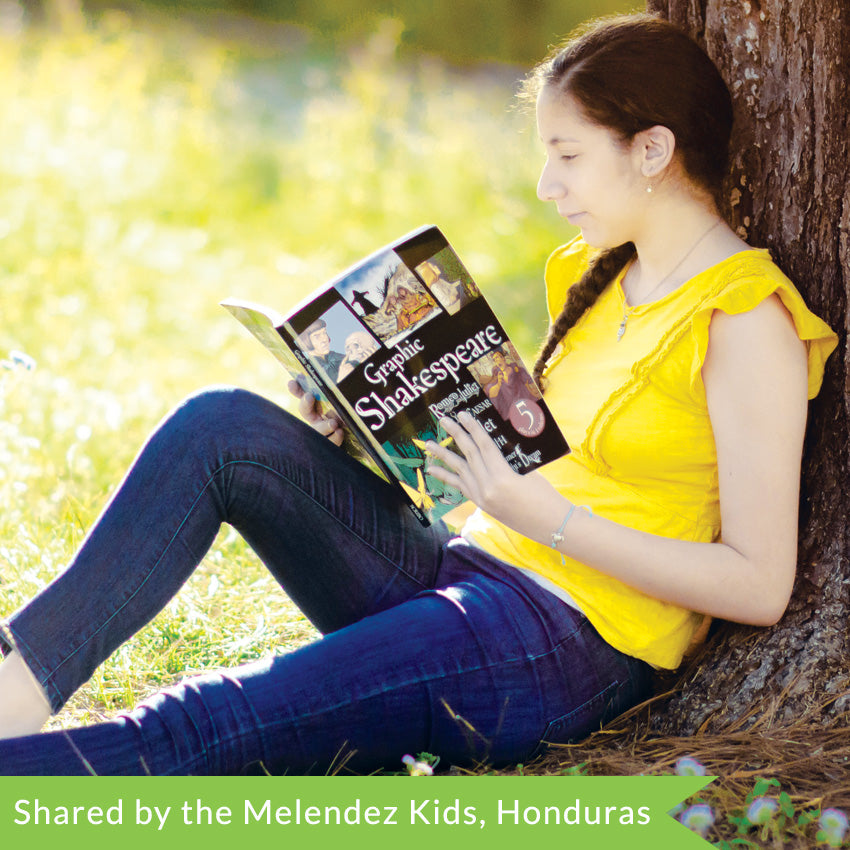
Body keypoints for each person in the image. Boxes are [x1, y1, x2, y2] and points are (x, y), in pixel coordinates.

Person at [0, 13, 837, 775]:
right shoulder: (604, 274)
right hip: (466, 565)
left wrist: (543, 518)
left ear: (652, 150)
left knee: (202, 724)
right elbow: (531, 461)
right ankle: (13, 698)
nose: (549, 185)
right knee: (219, 427)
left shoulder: (743, 321)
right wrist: (368, 427)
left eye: (569, 154)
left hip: (557, 645)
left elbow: (760, 586)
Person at [483, 350, 539, 420]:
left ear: (503, 358)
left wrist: (534, 392)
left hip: (527, 402)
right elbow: (492, 394)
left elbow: (529, 382)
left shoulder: (517, 370)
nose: (496, 360)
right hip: (514, 411)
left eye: (497, 357)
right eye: (494, 360)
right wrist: (499, 383)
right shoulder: (498, 379)